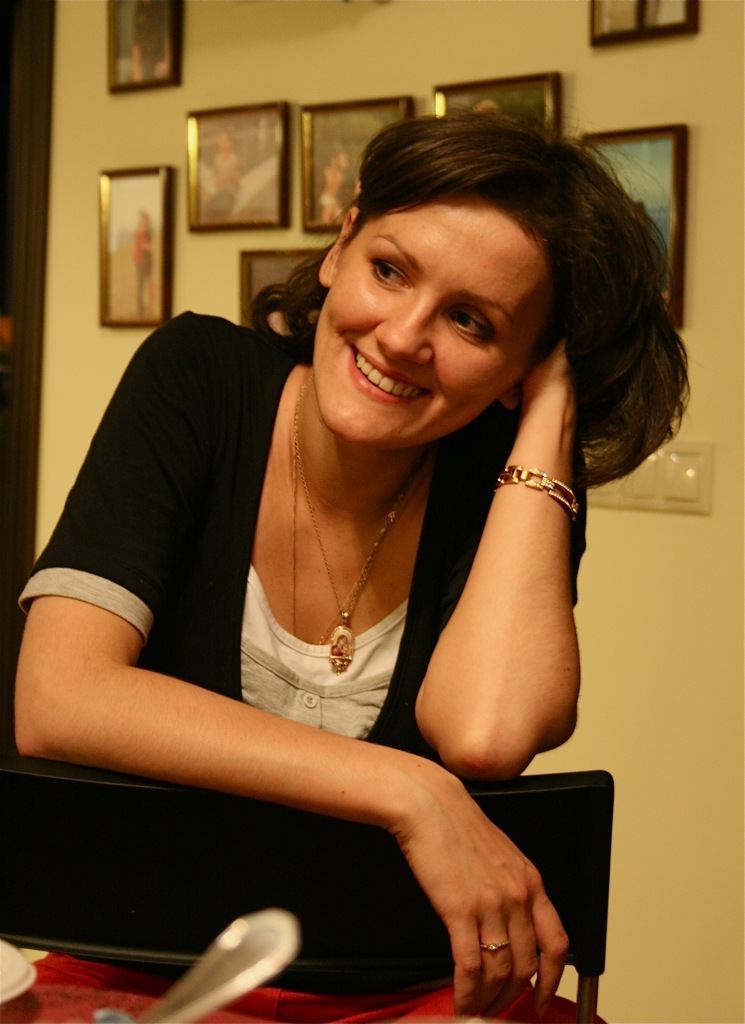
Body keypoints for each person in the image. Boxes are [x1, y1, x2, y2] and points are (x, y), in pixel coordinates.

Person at [15, 112, 688, 1021]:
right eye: (390, 270)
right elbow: (58, 696)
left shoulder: (515, 487)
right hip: (141, 970)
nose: (403, 336)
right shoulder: (197, 376)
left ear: (521, 369)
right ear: (340, 246)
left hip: (411, 993)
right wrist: (408, 791)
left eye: (472, 322)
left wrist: (551, 412)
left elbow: (485, 737)